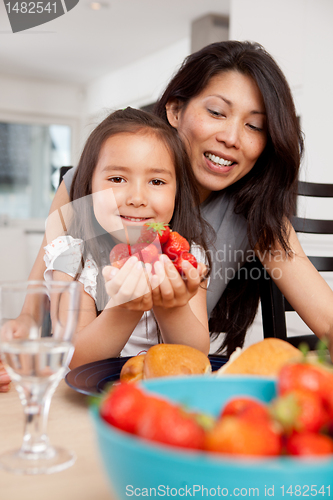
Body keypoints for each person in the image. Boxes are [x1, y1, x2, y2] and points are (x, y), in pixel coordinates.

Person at [6, 41, 333, 380]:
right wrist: (22, 325)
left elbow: (327, 319)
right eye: (217, 112)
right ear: (176, 111)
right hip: (63, 374)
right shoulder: (93, 191)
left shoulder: (242, 223)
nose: (232, 137)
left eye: (254, 126)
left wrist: (169, 306)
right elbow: (41, 295)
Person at [44, 107, 211, 368]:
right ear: (90, 187)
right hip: (90, 399)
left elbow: (196, 356)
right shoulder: (73, 256)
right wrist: (125, 308)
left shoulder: (185, 255)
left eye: (156, 182)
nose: (136, 199)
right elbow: (72, 358)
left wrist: (171, 307)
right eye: (118, 178)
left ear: (178, 191)